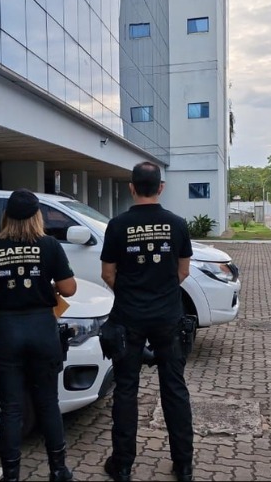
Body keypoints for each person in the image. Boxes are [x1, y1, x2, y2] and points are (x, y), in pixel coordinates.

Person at [0, 189, 77, 482]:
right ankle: (58, 470)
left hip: (7, 330)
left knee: (12, 407)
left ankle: (11, 475)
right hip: (42, 329)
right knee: (48, 403)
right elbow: (68, 289)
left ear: (7, 217)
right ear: (37, 216)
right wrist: (47, 289)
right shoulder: (50, 245)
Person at [100, 162, 195, 482]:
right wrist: (161, 293)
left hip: (128, 317)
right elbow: (184, 271)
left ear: (131, 187)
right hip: (168, 316)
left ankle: (123, 465)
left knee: (126, 389)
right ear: (161, 187)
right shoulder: (177, 224)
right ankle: (184, 464)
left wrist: (132, 294)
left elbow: (107, 273)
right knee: (175, 388)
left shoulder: (117, 225)